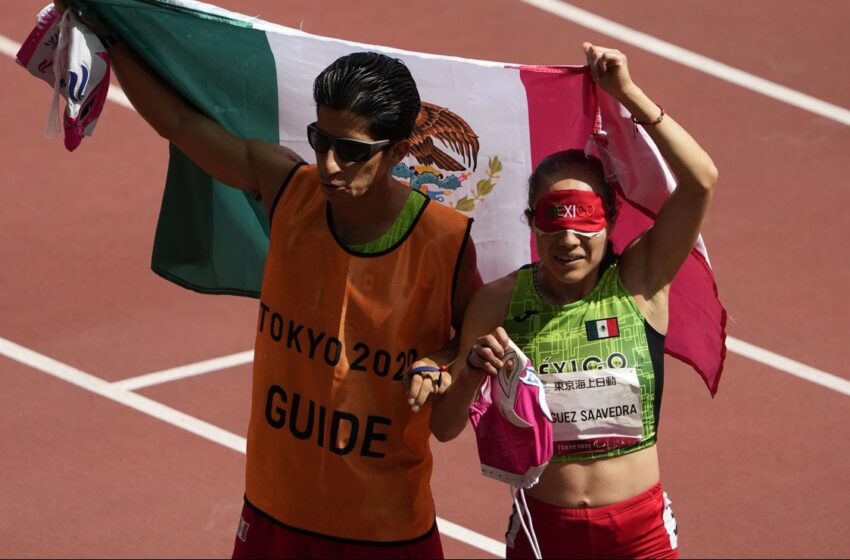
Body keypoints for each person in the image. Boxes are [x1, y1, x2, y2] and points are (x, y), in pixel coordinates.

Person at [53, 1, 479, 558]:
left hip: (386, 526)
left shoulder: (447, 242)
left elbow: (466, 352)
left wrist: (442, 365)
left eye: (352, 151)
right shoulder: (287, 189)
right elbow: (181, 125)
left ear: (398, 152)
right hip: (276, 509)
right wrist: (106, 29)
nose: (329, 164)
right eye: (321, 140)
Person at [432, 42, 718, 559]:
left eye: (585, 220)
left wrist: (626, 93)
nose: (569, 239)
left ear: (610, 222)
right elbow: (444, 426)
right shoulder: (498, 302)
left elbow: (701, 181)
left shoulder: (641, 280)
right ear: (531, 224)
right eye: (553, 219)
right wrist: (471, 371)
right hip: (544, 531)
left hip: (639, 534)